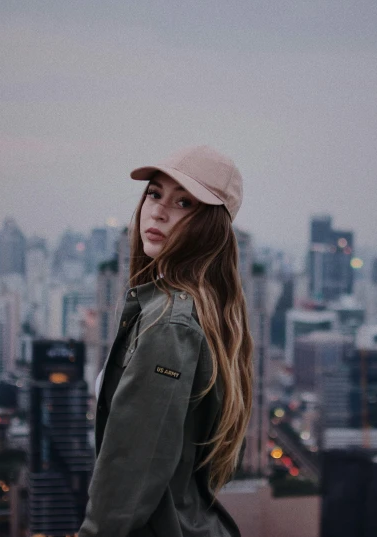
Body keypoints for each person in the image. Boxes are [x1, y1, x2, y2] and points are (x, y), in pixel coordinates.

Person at [78, 145, 254, 537]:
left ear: (211, 226)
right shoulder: (199, 310)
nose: (158, 211)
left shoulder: (170, 324)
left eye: (184, 203)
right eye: (155, 194)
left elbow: (130, 467)